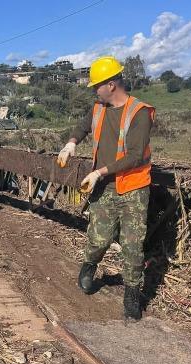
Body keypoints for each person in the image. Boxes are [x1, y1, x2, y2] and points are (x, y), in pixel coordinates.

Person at [57, 56, 155, 320]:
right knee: (99, 238)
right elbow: (82, 126)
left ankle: (132, 293)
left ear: (111, 85)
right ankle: (89, 265)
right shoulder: (98, 108)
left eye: (96, 86)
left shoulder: (139, 112)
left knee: (133, 246)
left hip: (133, 188)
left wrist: (99, 172)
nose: (93, 90)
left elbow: (135, 155)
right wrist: (72, 143)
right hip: (105, 188)